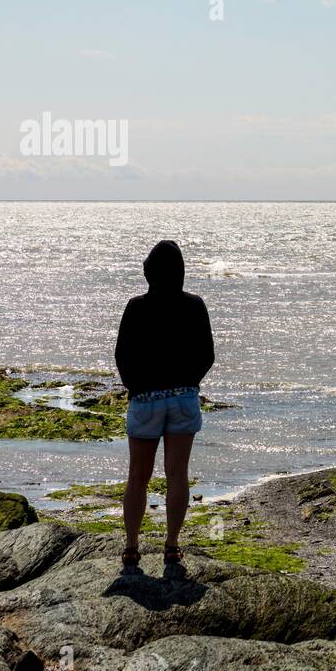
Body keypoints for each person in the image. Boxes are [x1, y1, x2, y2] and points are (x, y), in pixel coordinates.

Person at [114, 240, 215, 571]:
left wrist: (138, 387)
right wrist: (189, 383)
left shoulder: (136, 306)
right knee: (178, 475)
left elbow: (122, 356)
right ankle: (171, 546)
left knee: (137, 477)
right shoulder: (194, 305)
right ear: (181, 272)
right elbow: (206, 355)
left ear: (149, 272)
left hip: (145, 399)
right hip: (184, 397)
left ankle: (131, 548)